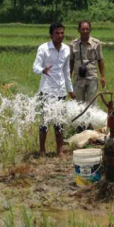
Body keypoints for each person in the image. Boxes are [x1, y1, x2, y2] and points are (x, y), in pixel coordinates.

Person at [33, 23, 76, 158]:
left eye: (62, 33)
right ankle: (42, 150)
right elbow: (35, 67)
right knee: (45, 122)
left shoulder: (66, 49)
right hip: (46, 91)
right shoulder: (43, 48)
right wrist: (43, 70)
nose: (60, 36)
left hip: (61, 91)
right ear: (51, 35)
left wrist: (70, 90)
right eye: (57, 33)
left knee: (59, 122)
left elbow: (66, 71)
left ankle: (60, 150)